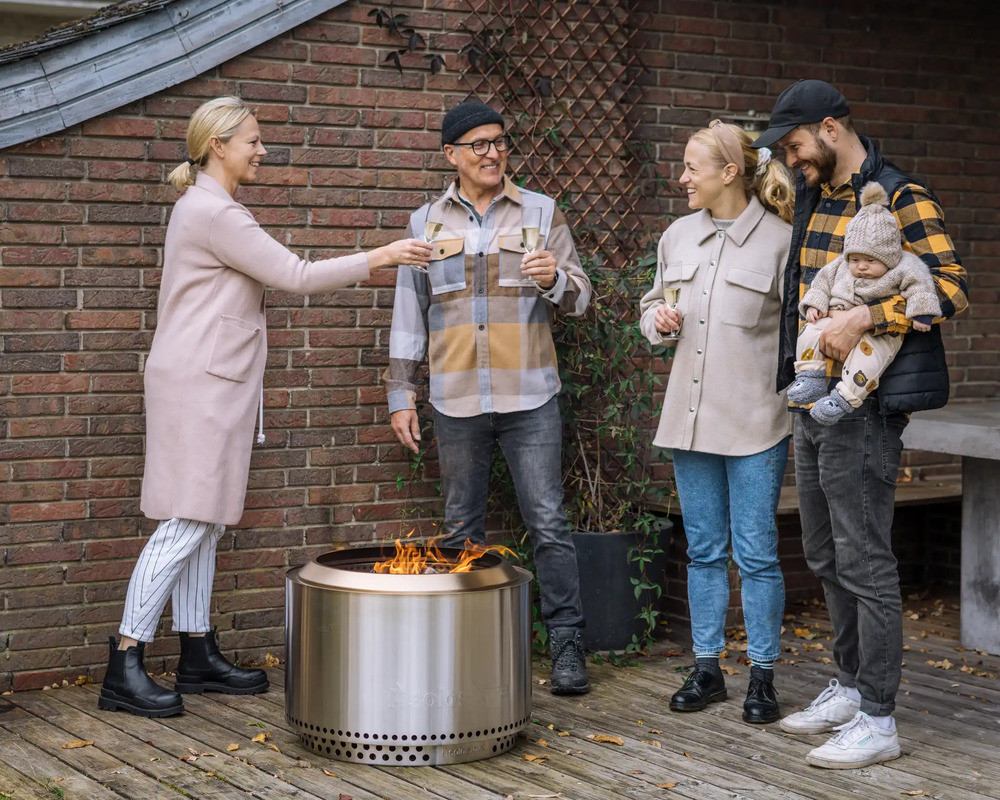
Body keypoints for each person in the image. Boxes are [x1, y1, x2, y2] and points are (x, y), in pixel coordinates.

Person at [99, 96, 432, 718]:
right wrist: (383, 255)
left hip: (209, 381)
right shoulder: (215, 214)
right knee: (187, 519)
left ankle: (196, 652)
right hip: (200, 383)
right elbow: (297, 276)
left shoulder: (211, 208)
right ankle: (125, 659)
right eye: (252, 139)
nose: (262, 149)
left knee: (207, 520)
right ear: (218, 145)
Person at [752, 79, 968, 768]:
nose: (791, 162)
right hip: (812, 398)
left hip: (869, 406)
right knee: (823, 551)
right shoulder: (815, 196)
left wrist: (866, 316)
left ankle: (879, 718)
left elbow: (952, 287)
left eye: (795, 146)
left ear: (831, 128)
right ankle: (848, 684)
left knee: (865, 558)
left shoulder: (903, 198)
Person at [384, 99, 593, 695]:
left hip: (530, 395)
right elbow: (409, 314)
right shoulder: (425, 223)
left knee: (549, 523)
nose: (493, 153)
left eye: (499, 142)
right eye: (478, 144)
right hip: (454, 398)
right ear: (451, 154)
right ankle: (464, 650)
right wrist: (402, 393)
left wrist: (554, 279)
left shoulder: (541, 211)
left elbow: (581, 298)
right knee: (460, 530)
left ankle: (568, 648)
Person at [639, 120, 794, 725]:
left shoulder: (782, 241)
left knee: (755, 553)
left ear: (729, 173)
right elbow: (652, 307)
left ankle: (762, 678)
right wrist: (658, 325)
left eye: (691, 168)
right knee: (703, 550)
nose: (682, 178)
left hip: (757, 422)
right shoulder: (678, 235)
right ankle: (707, 670)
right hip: (690, 420)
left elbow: (800, 335)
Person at [790, 182, 942, 425]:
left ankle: (842, 399)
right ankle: (809, 376)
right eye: (856, 259)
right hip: (834, 316)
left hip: (879, 332)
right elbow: (821, 283)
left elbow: (921, 285)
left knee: (868, 360)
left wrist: (921, 313)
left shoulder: (905, 266)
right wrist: (815, 305)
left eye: (870, 260)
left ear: (889, 256)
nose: (861, 266)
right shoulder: (839, 265)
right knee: (809, 331)